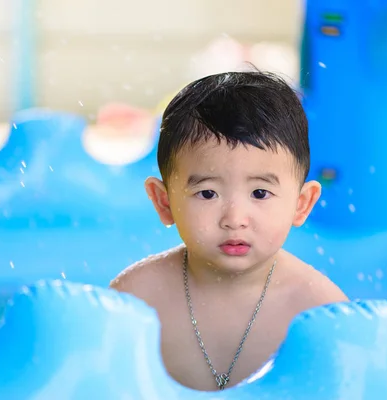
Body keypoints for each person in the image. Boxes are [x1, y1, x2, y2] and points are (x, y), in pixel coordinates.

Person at [110, 70, 348, 392]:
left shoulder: (320, 310)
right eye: (207, 193)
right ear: (163, 202)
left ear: (301, 204)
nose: (234, 219)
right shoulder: (135, 299)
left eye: (260, 193)